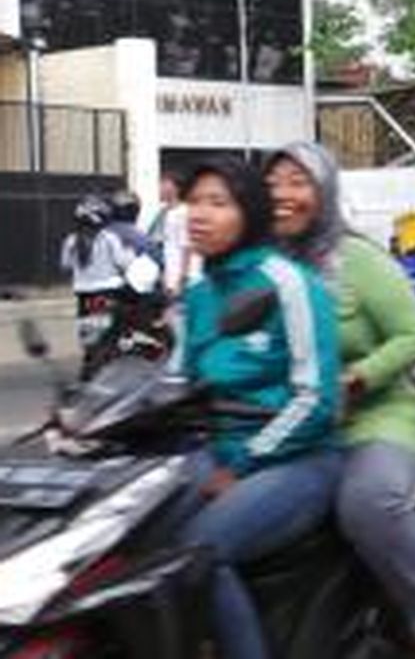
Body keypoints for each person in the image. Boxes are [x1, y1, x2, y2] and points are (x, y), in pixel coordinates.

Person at [264, 142, 415, 659]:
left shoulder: (356, 259)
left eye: (297, 182)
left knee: (367, 502)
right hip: (284, 425)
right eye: (272, 184)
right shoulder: (259, 265)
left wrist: (356, 380)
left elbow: (414, 335)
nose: (282, 194)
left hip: (374, 418)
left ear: (325, 191)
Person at [172, 155, 343, 659]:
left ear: (249, 213)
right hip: (218, 453)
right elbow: (176, 384)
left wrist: (244, 463)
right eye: (193, 202)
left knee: (198, 552)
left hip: (297, 460)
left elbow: (316, 399)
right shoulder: (200, 294)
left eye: (217, 203)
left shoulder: (288, 283)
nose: (198, 214)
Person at [60, 193, 136, 377]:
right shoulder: (108, 238)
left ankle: (90, 359)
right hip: (109, 291)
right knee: (123, 319)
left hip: (83, 294)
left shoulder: (71, 241)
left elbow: (65, 266)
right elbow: (124, 262)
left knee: (87, 329)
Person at [147, 169, 194, 297]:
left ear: (175, 188)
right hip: (169, 275)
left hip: (181, 278)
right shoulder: (164, 212)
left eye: (163, 184)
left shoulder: (183, 212)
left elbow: (187, 246)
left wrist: (182, 278)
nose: (160, 188)